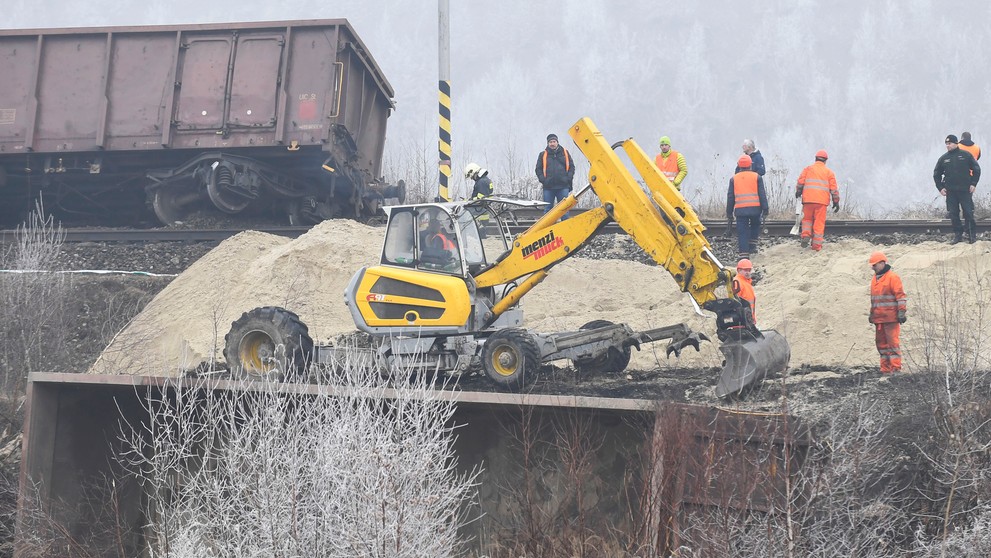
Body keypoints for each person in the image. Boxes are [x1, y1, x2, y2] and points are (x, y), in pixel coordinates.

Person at [934, 134, 981, 244]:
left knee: (968, 213)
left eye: (949, 143)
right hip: (951, 191)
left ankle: (971, 236)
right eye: (946, 144)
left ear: (956, 143)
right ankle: (958, 235)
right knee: (953, 214)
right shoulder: (944, 158)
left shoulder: (965, 155)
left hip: (965, 190)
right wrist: (940, 188)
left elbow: (976, 169)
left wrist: (973, 184)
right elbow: (936, 174)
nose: (948, 146)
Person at [868, 251, 907, 374]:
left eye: (875, 265)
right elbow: (874, 299)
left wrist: (901, 311)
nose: (873, 267)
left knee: (893, 344)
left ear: (882, 263)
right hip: (879, 318)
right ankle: (885, 369)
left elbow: (900, 296)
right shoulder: (875, 279)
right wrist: (872, 313)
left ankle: (895, 368)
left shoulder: (892, 277)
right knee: (881, 345)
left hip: (890, 318)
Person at [795, 149, 840, 251]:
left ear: (815, 159)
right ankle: (816, 246)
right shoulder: (829, 173)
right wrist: (836, 201)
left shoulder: (808, 169)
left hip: (808, 200)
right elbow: (834, 189)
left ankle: (805, 235)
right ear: (825, 161)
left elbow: (800, 182)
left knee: (807, 220)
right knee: (819, 223)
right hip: (821, 202)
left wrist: (798, 192)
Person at [726, 154, 768, 258]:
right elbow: (762, 194)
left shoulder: (733, 179)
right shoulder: (757, 177)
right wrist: (765, 209)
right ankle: (752, 245)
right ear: (750, 165)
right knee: (755, 224)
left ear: (739, 166)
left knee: (742, 232)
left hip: (740, 210)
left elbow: (730, 197)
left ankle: (744, 254)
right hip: (755, 209)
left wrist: (729, 212)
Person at [534, 133, 575, 218]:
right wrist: (544, 180)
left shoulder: (565, 153)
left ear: (557, 142)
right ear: (548, 143)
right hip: (548, 187)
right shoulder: (543, 155)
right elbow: (538, 169)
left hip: (563, 186)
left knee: (564, 210)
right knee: (548, 210)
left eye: (554, 141)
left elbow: (571, 167)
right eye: (550, 142)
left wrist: (568, 178)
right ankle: (547, 230)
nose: (552, 144)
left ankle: (566, 230)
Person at [465, 162, 493, 236]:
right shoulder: (485, 180)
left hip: (480, 212)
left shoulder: (481, 182)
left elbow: (480, 199)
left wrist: (470, 201)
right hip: (483, 212)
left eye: (471, 176)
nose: (472, 178)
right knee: (481, 233)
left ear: (473, 172)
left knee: (464, 213)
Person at [733, 258, 757, 325]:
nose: (748, 272)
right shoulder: (737, 282)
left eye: (749, 270)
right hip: (743, 320)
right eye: (745, 270)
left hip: (748, 319)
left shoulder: (746, 282)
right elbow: (736, 303)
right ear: (739, 270)